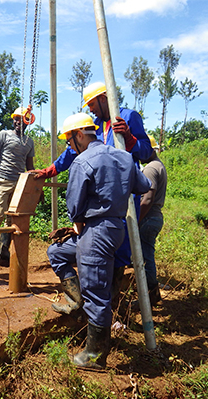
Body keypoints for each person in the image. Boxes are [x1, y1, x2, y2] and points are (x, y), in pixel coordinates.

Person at [35, 82, 152, 315]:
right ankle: (93, 306)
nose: (92, 110)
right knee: (97, 253)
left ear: (104, 98)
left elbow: (146, 152)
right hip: (96, 203)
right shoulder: (93, 126)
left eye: (92, 104)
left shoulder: (128, 117)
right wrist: (49, 171)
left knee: (119, 254)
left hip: (122, 199)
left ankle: (112, 311)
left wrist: (129, 139)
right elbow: (71, 152)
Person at [60, 113, 151, 369]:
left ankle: (95, 356)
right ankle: (79, 302)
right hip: (116, 228)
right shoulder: (123, 157)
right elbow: (144, 185)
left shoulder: (82, 161)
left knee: (96, 290)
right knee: (58, 252)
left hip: (96, 230)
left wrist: (79, 221)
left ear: (79, 135)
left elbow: (74, 204)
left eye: (69, 141)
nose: (70, 147)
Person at [0, 107, 35, 262]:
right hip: (3, 180)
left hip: (19, 184)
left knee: (11, 219)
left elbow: (30, 166)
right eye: (16, 118)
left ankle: (4, 250)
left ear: (28, 121)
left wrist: (35, 185)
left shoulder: (29, 142)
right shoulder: (4, 135)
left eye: (21, 119)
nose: (18, 122)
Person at [138, 135, 167, 305]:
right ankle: (151, 294)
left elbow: (147, 199)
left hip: (148, 218)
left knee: (146, 258)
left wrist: (135, 222)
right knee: (146, 256)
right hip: (155, 217)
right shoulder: (158, 165)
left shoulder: (150, 169)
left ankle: (150, 297)